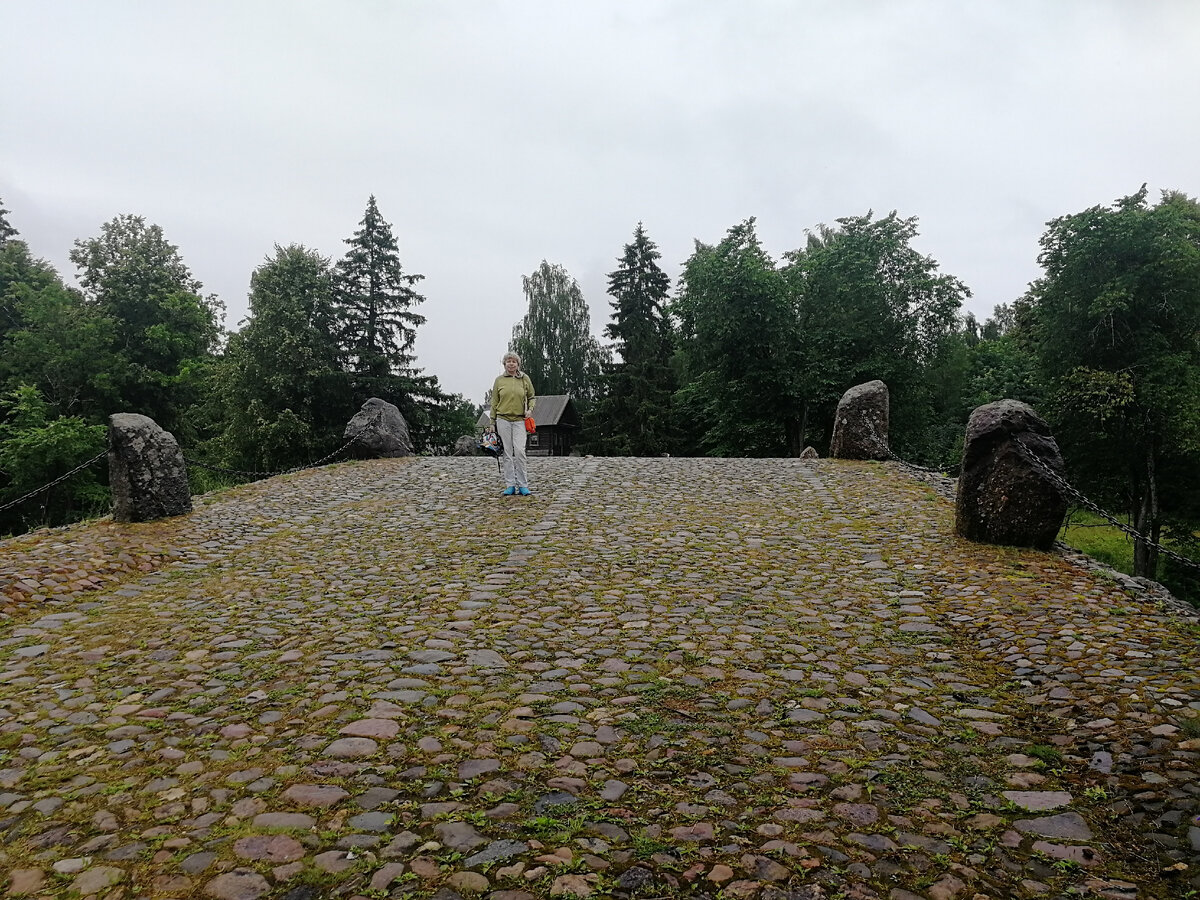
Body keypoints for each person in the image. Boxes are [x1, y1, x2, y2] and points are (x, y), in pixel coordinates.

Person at [490, 351, 536, 496]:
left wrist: (530, 409)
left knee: (520, 452)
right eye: (508, 361)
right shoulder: (499, 380)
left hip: (519, 420)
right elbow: (494, 402)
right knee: (507, 453)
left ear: (518, 364)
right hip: (502, 419)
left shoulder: (524, 379)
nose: (511, 364)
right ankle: (510, 484)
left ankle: (523, 484)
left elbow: (532, 397)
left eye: (514, 361)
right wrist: (492, 422)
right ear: (504, 364)